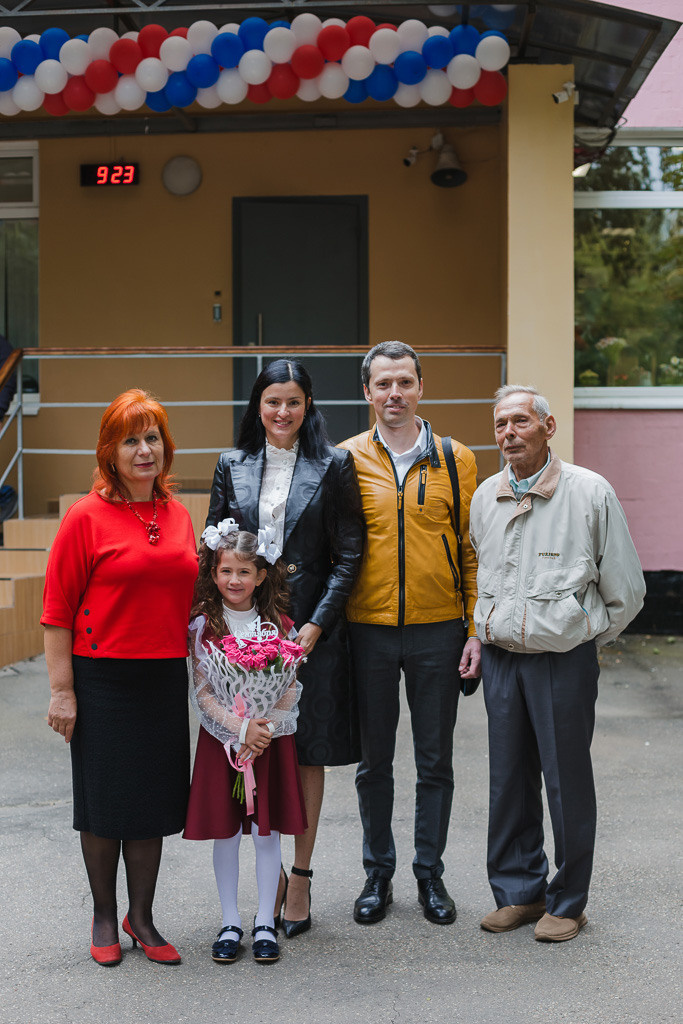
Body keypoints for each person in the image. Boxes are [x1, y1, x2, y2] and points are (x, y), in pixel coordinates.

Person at [470, 384, 645, 943]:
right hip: (502, 660)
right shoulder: (485, 497)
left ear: (548, 427)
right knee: (509, 781)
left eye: (521, 421)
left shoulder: (589, 492)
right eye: (500, 424)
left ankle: (569, 902)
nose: (508, 433)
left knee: (565, 781)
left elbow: (627, 589)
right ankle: (520, 893)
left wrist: (582, 635)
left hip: (562, 661)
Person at [205, 359, 364, 937]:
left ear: (308, 406)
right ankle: (263, 879)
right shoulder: (232, 464)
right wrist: (222, 626)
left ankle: (299, 876)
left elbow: (350, 554)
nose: (282, 412)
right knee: (255, 743)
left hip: (310, 631)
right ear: (258, 406)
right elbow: (214, 550)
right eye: (272, 401)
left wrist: (316, 626)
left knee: (306, 749)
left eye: (293, 402)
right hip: (248, 627)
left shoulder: (334, 463)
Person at [41, 389, 199, 966]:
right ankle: (105, 915)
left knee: (152, 802)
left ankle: (143, 916)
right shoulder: (86, 516)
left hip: (161, 678)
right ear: (110, 450)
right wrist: (63, 691)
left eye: (152, 437)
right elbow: (56, 610)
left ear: (166, 447)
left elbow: (192, 600)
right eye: (130, 439)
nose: (143, 450)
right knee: (106, 803)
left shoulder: (178, 516)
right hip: (101, 679)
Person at [339, 341, 481, 926]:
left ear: (421, 386)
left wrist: (475, 629)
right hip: (367, 631)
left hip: (439, 631)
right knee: (373, 763)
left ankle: (430, 874)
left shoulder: (457, 459)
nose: (393, 394)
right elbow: (335, 553)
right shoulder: (343, 459)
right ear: (366, 393)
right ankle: (379, 873)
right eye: (382, 384)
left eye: (404, 382)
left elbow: (473, 552)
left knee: (434, 760)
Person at [184, 525, 308, 964]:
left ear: (261, 575)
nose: (233, 580)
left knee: (265, 831)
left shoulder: (277, 625)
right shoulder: (204, 626)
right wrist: (239, 730)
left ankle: (263, 921)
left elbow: (289, 687)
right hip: (224, 744)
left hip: (267, 745)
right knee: (228, 830)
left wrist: (263, 730)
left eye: (244, 572)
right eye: (225, 571)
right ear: (213, 573)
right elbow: (203, 693)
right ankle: (231, 919)